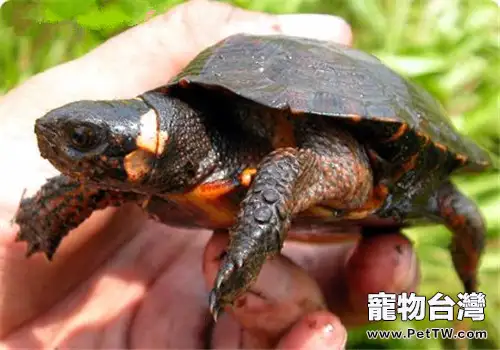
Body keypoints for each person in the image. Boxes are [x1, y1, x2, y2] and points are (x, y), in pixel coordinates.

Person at [0, 1, 419, 348]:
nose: (61, 144)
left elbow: (287, 168)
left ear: (155, 139)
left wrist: (250, 245)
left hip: (354, 165)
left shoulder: (278, 154)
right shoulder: (151, 169)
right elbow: (101, 180)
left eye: (83, 138)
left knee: (286, 172)